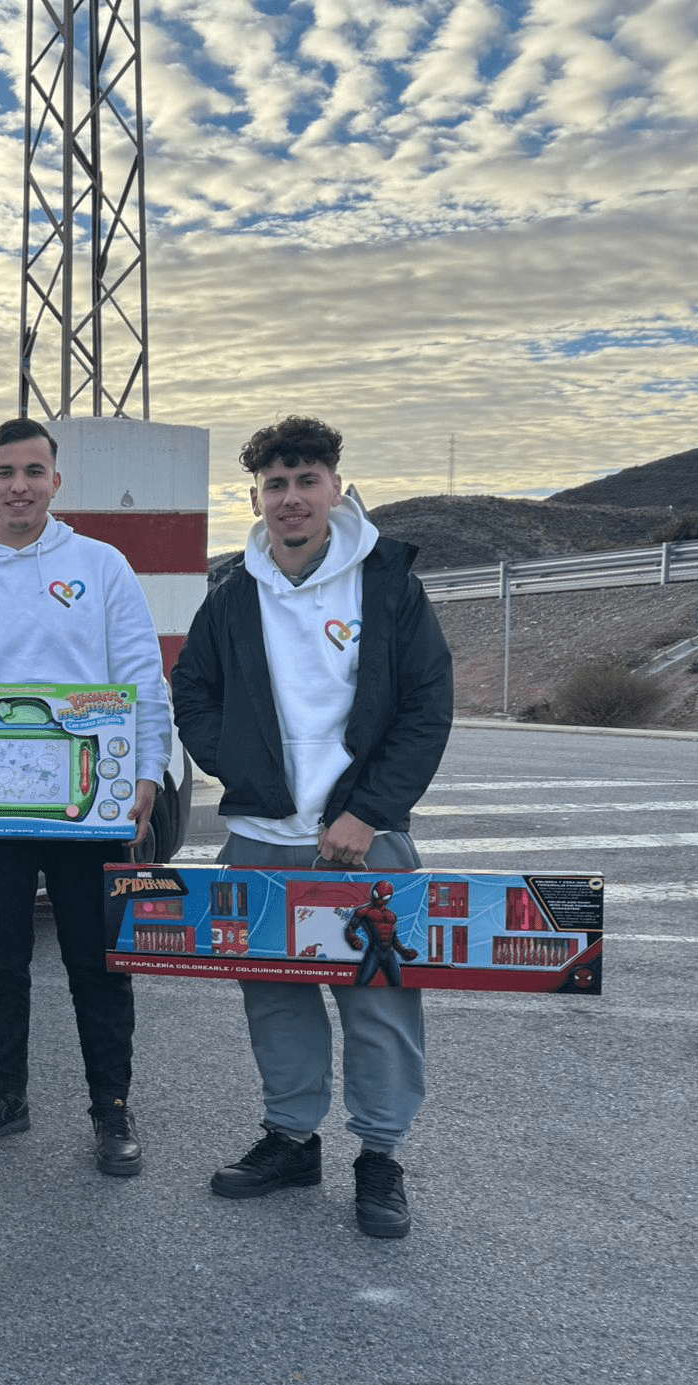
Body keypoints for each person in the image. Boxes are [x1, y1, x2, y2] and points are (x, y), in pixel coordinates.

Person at [171, 415, 452, 1239]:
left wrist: (367, 812)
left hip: (365, 836)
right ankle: (291, 1139)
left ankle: (380, 1155)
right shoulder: (233, 593)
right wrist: (241, 768)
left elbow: (426, 706)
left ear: (334, 485)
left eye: (305, 481)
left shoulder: (389, 584)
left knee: (380, 998)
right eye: (275, 485)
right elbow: (194, 691)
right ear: (256, 497)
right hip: (263, 834)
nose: (290, 498)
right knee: (274, 994)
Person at [0, 419, 172, 1175]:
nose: (18, 486)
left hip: (86, 808)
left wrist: (148, 770)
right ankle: (6, 1095)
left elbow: (141, 677)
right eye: (4, 473)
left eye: (33, 471)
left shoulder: (101, 566)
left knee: (98, 961)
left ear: (56, 482)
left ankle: (111, 1107)